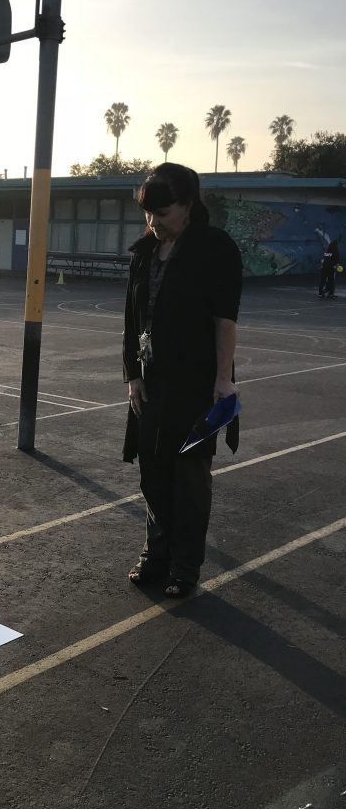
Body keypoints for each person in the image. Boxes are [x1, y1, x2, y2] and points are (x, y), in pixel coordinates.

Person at [122, 163, 241, 598]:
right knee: (152, 475)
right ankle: (156, 557)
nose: (154, 222)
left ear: (189, 205)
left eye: (164, 212)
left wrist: (223, 381)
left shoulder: (215, 249)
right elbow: (131, 320)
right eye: (148, 213)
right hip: (151, 386)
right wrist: (132, 376)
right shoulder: (143, 253)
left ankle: (184, 568)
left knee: (188, 479)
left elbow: (224, 320)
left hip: (195, 388)